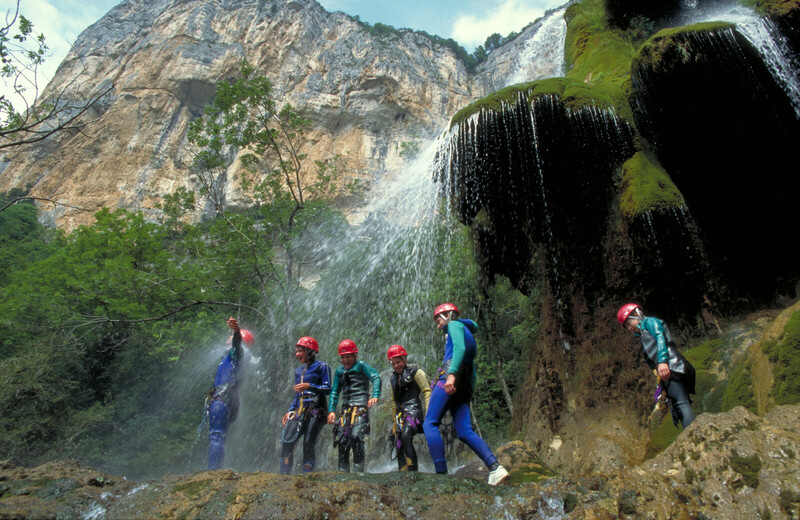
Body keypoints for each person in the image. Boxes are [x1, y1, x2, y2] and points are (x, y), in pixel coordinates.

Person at [423, 303, 509, 486]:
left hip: (449, 376)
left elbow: (459, 349)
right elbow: (472, 369)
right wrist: (467, 392)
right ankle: (495, 468)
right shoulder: (466, 329)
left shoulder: (454, 326)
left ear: (448, 315)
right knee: (464, 431)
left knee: (429, 424)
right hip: (465, 385)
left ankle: (441, 476)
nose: (438, 326)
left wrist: (451, 375)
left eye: (439, 320)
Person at [617, 303, 696, 428]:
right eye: (626, 326)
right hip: (668, 367)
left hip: (672, 365)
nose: (629, 328)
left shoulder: (650, 322)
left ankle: (695, 437)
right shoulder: (643, 333)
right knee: (679, 404)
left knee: (681, 402)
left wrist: (663, 361)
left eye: (628, 323)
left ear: (636, 314)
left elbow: (660, 338)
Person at [327, 339, 381, 473]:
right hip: (346, 409)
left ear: (355, 356)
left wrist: (375, 395)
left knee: (356, 437)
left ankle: (359, 472)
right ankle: (342, 472)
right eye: (343, 357)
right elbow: (335, 391)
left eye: (348, 356)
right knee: (343, 440)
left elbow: (376, 377)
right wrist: (331, 411)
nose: (346, 360)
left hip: (360, 407)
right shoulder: (339, 372)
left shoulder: (362, 366)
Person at [279, 336, 332, 474]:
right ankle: (284, 473)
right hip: (301, 410)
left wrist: (310, 386)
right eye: (296, 351)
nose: (297, 354)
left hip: (317, 410)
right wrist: (290, 410)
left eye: (300, 351)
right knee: (287, 440)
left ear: (310, 352)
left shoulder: (322, 367)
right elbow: (297, 394)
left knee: (308, 441)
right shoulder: (299, 371)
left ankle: (307, 473)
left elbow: (327, 389)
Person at [207, 317, 254, 470]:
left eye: (231, 336)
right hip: (229, 399)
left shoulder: (236, 354)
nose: (227, 338)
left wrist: (236, 332)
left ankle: (213, 472)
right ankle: (217, 470)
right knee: (219, 436)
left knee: (216, 435)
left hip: (222, 399)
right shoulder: (232, 358)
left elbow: (237, 344)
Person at [387, 344, 430, 472]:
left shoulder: (416, 372)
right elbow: (394, 401)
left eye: (398, 362)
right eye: (393, 363)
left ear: (405, 359)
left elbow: (427, 392)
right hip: (401, 414)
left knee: (406, 436)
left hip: (414, 411)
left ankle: (413, 473)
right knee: (397, 438)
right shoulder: (393, 378)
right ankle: (402, 470)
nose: (396, 366)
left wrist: (428, 415)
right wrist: (394, 422)